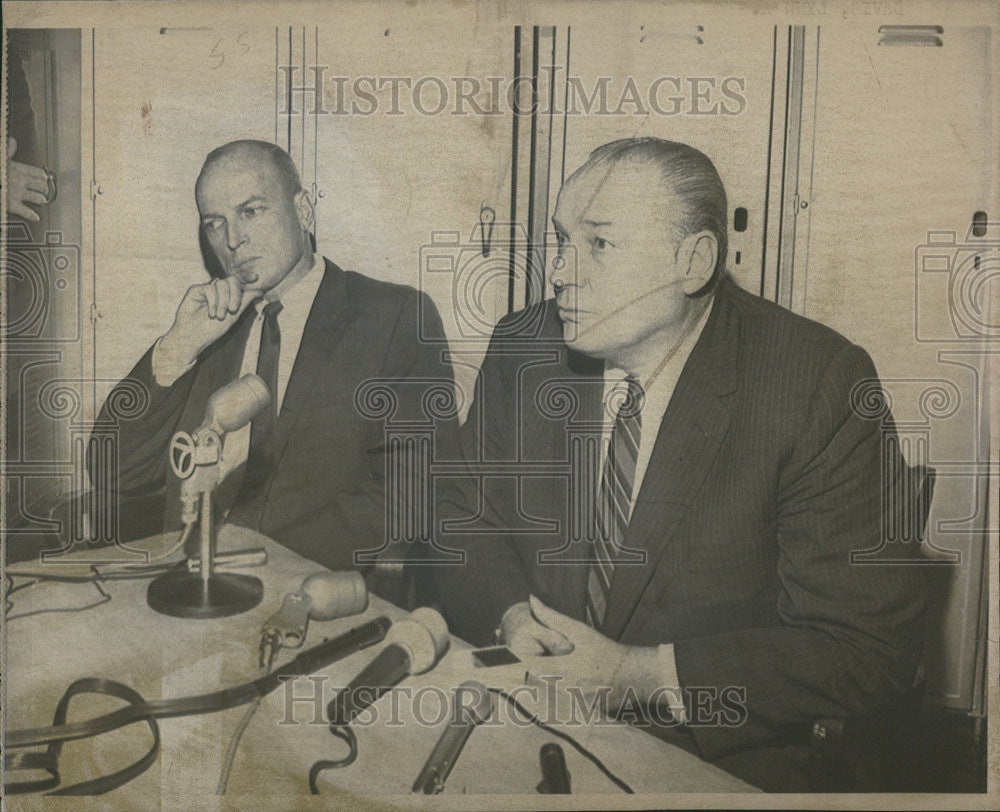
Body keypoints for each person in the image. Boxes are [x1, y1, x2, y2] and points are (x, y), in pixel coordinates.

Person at [434, 137, 925, 789]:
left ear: (693, 263)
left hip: (711, 758)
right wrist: (512, 616)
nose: (559, 273)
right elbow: (462, 515)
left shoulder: (817, 385)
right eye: (561, 240)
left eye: (600, 245)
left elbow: (868, 651)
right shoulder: (524, 348)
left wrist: (637, 676)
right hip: (530, 724)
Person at [94, 140, 458, 591]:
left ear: (303, 211)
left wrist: (258, 555)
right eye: (215, 223)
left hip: (310, 592)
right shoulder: (209, 330)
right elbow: (112, 471)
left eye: (250, 211)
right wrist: (176, 349)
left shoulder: (393, 317)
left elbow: (412, 490)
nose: (232, 239)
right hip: (189, 591)